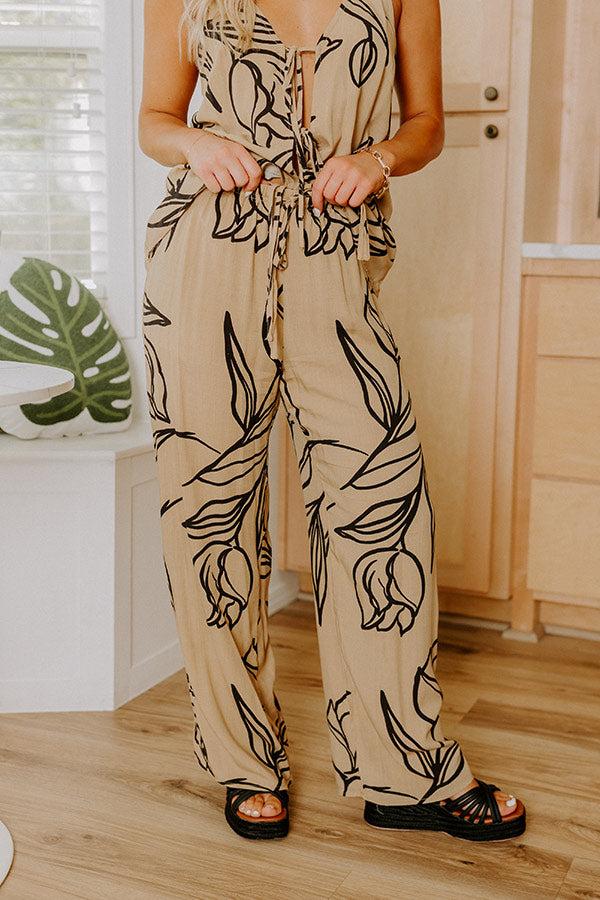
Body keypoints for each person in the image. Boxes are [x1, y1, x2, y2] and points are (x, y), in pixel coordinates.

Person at [138, 0, 526, 841]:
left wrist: (377, 159)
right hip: (207, 258)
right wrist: (196, 145)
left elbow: (426, 123)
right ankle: (244, 761)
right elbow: (154, 120)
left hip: (336, 260)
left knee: (382, 507)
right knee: (209, 515)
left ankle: (405, 770)